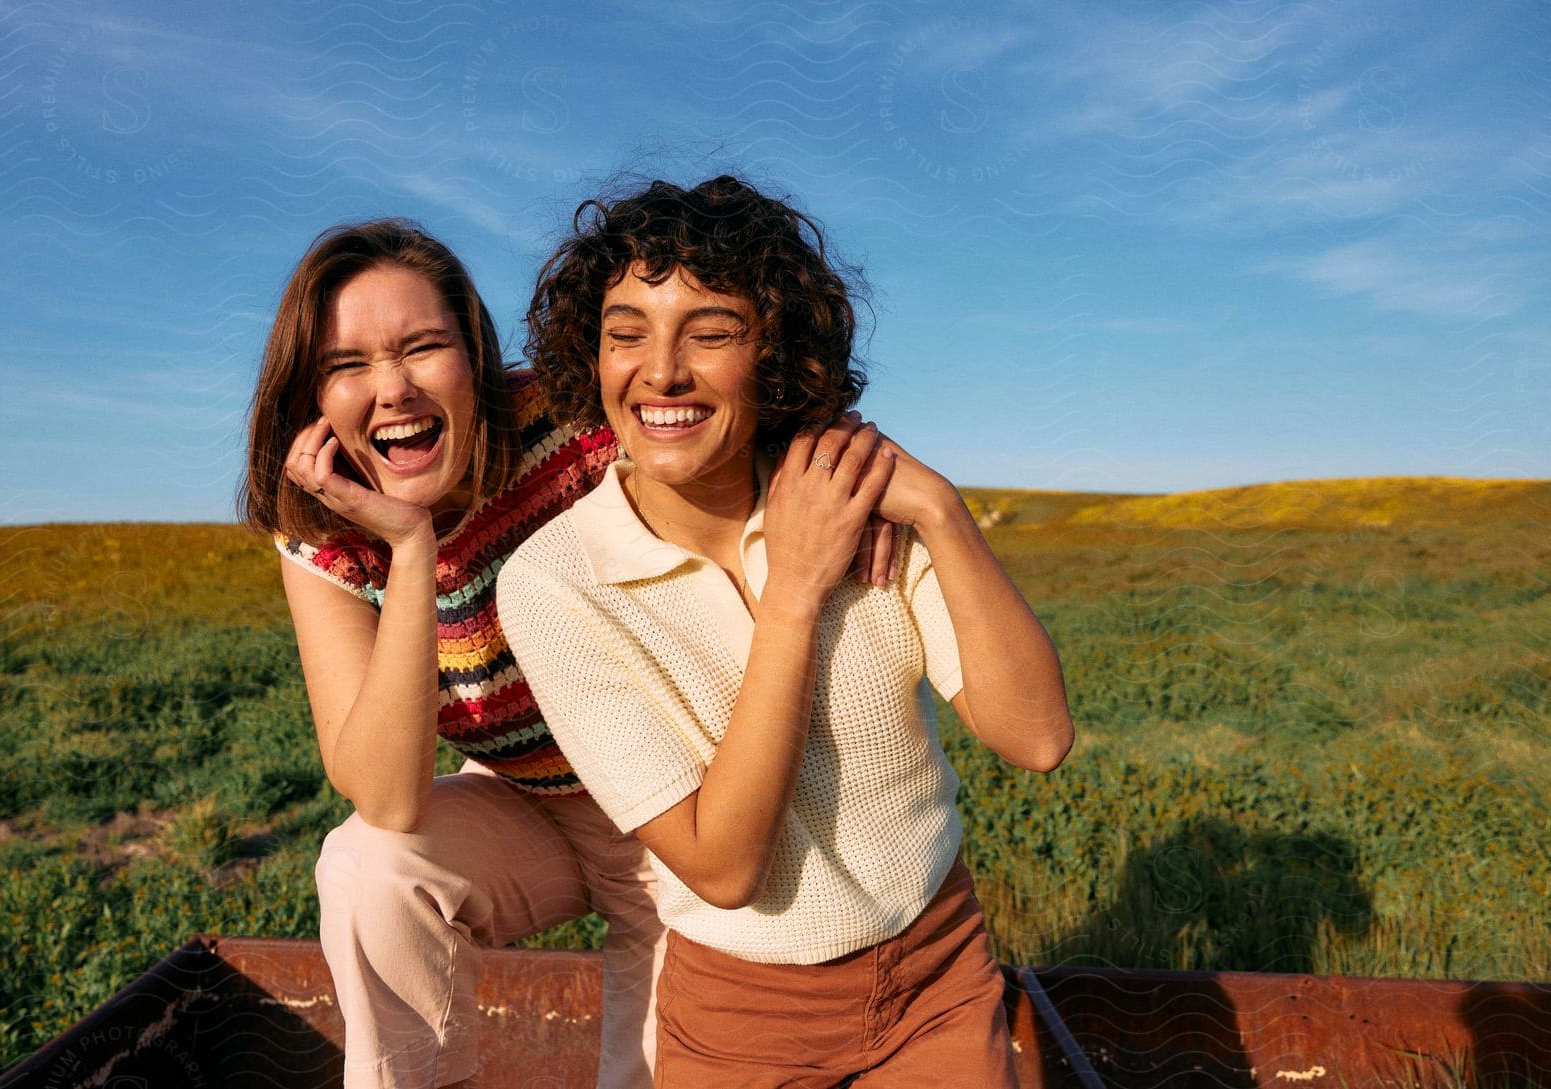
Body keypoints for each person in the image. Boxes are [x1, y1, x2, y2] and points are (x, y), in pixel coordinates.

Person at [238, 217, 899, 1089]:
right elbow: (388, 795)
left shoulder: (575, 424)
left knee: (658, 1070)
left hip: (680, 802)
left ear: (475, 357)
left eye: (423, 347)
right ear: (312, 398)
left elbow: (721, 424)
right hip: (525, 802)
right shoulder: (323, 534)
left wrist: (833, 447)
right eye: (347, 365)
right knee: (368, 866)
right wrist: (409, 549)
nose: (391, 389)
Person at [496, 176, 1075, 1087]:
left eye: (712, 331)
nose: (661, 371)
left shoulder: (856, 497)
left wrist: (940, 510)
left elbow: (1037, 736)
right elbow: (720, 867)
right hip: (742, 1020)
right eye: (626, 333)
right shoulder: (554, 583)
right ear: (589, 355)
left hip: (938, 971)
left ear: (775, 352)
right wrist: (797, 590)